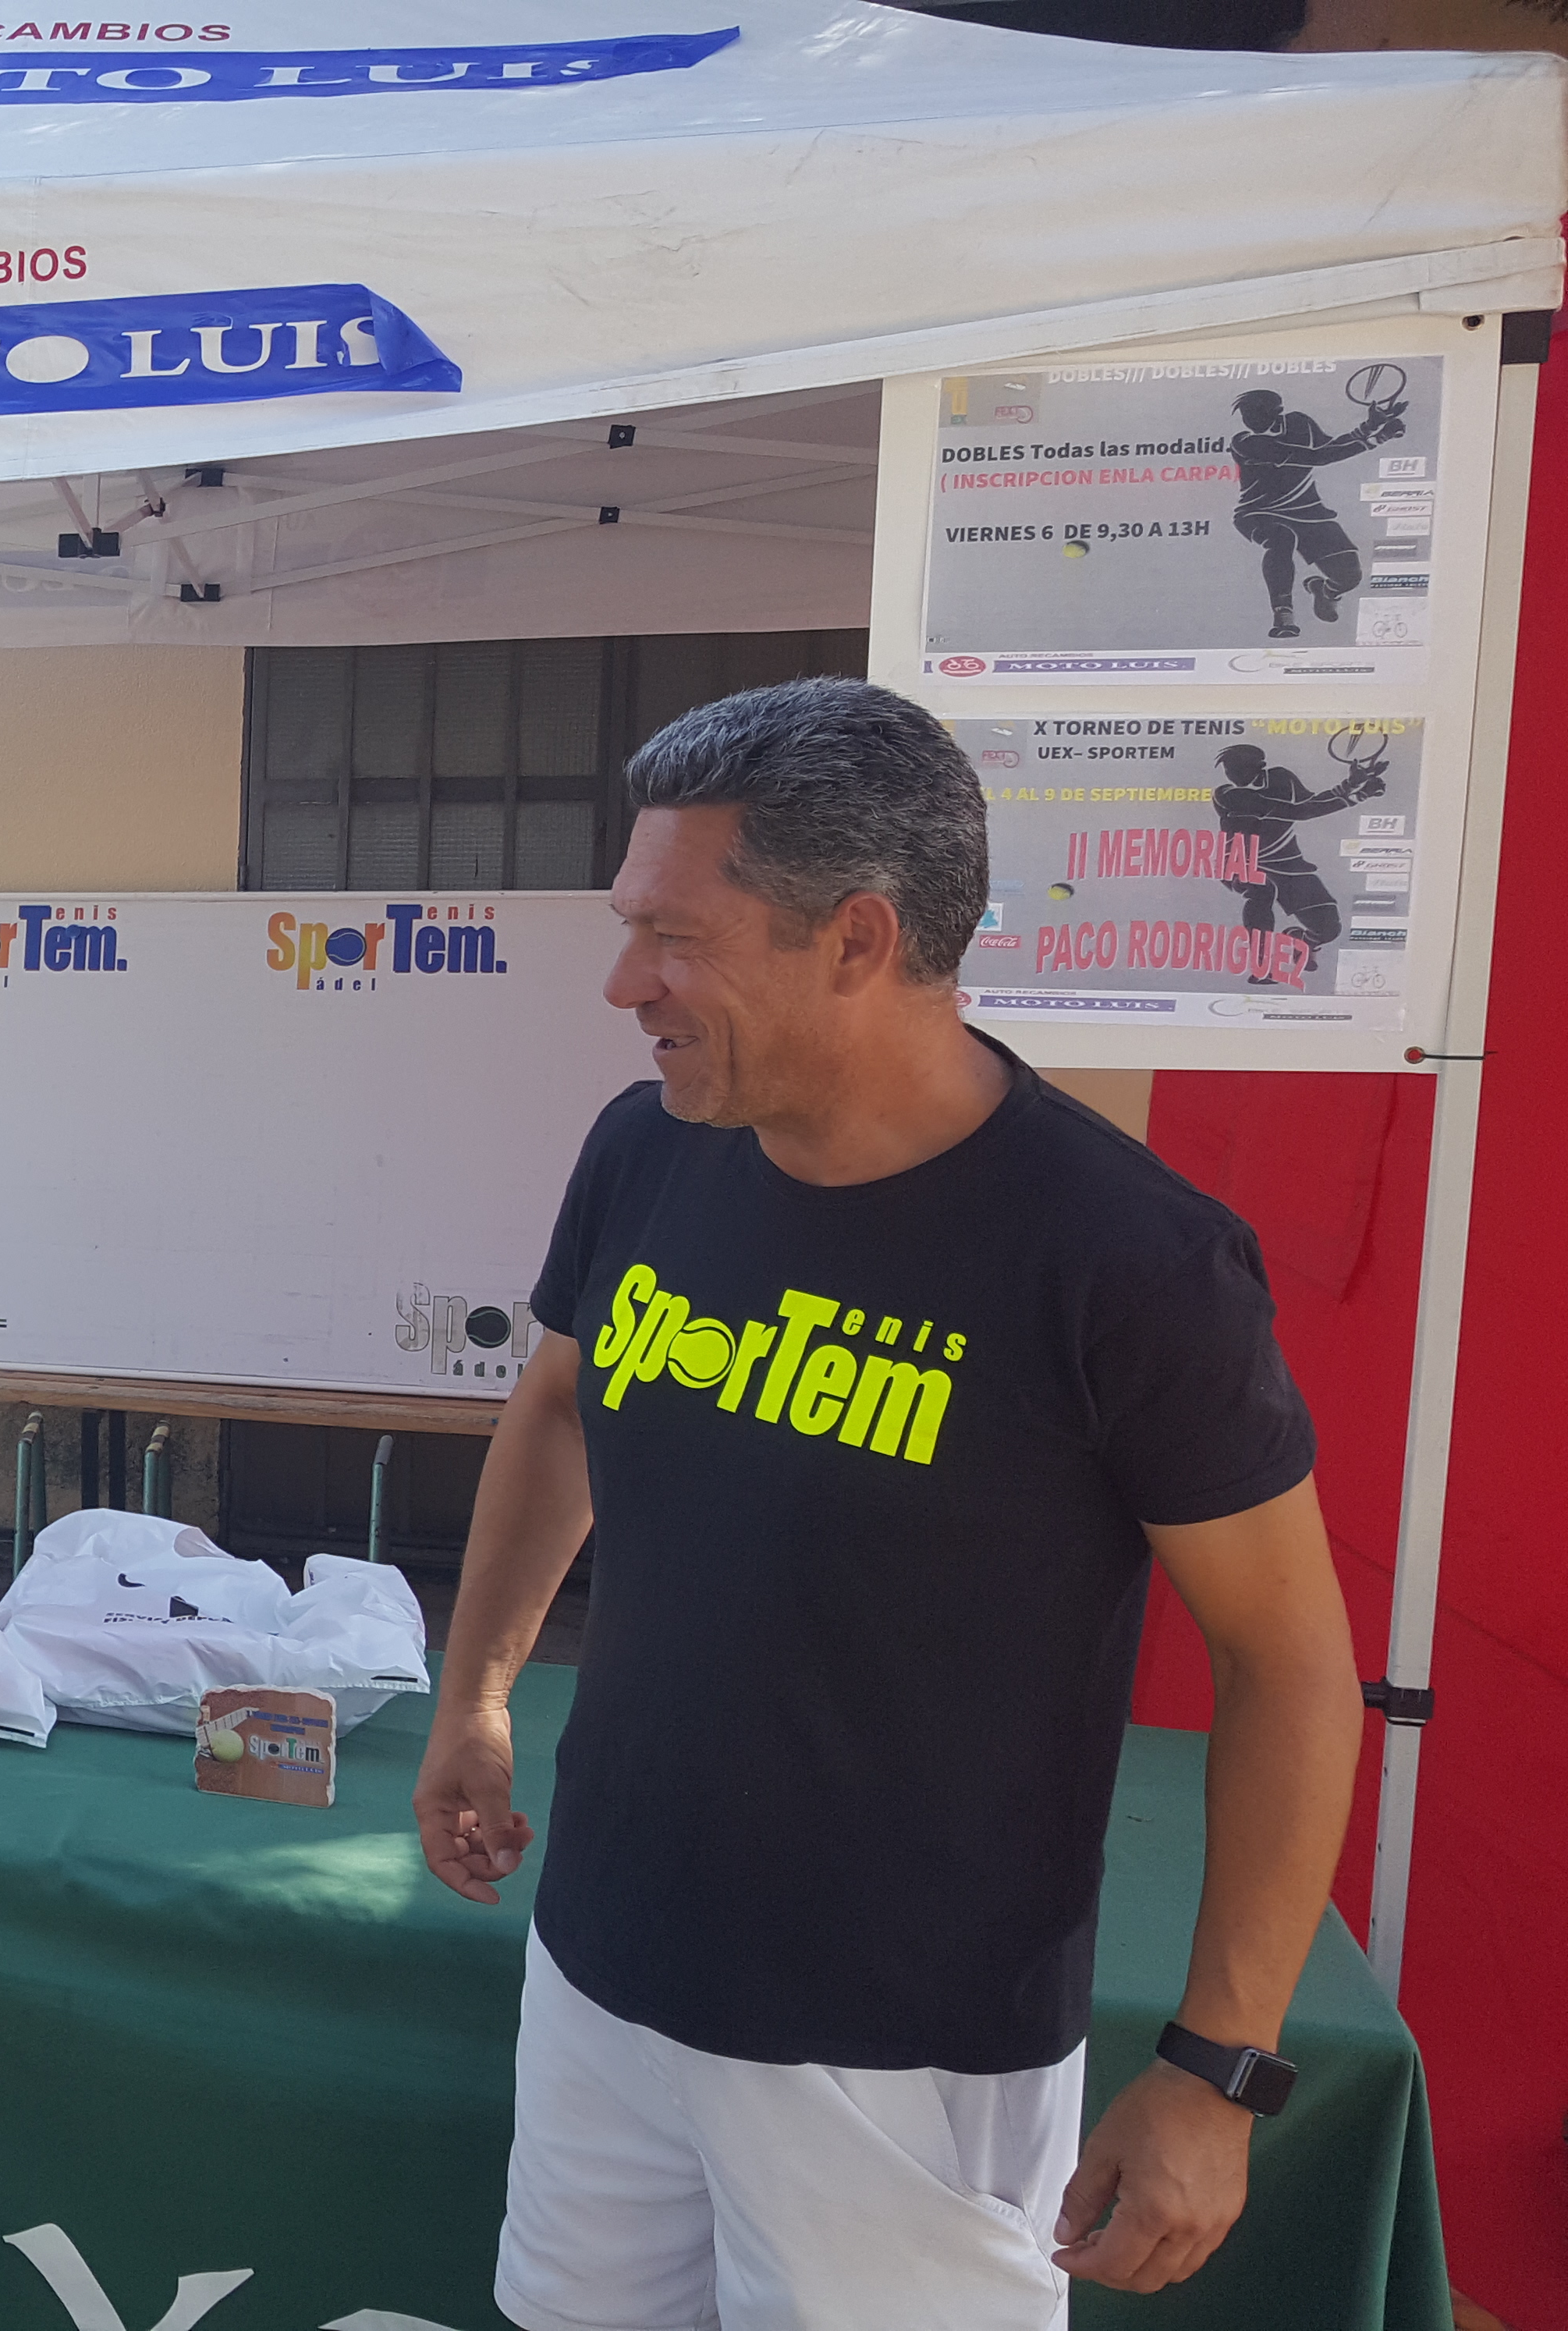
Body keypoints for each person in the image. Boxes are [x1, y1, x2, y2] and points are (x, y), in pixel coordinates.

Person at [411, 679, 1364, 2328]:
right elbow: (559, 1405)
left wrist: (1219, 2068)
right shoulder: (647, 1149)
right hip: (601, 1970)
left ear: (856, 938)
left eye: (675, 938)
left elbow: (1286, 1664)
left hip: (904, 2052)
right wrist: (476, 1694)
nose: (625, 983)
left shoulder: (1126, 1259)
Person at [1226, 384, 1403, 640]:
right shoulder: (1245, 442)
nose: (1249, 421)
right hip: (1259, 513)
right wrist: (1378, 437)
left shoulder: (1300, 423)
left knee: (1350, 577)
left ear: (1276, 412)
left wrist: (1369, 427)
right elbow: (1317, 458)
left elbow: (1329, 447)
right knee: (1281, 538)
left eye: (1254, 415)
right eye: (1246, 416)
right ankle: (1283, 613)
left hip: (1309, 512)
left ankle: (1325, 592)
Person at [1208, 739, 1384, 986]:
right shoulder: (1227, 794)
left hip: (1287, 862)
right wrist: (1358, 794)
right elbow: (1298, 812)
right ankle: (1262, 966)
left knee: (1329, 928)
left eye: (1238, 769)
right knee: (1262, 891)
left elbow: (1310, 803)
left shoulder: (1282, 778)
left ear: (1259, 766)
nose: (1233, 775)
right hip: (1241, 863)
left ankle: (1302, 942)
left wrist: (1352, 784)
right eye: (1229, 771)